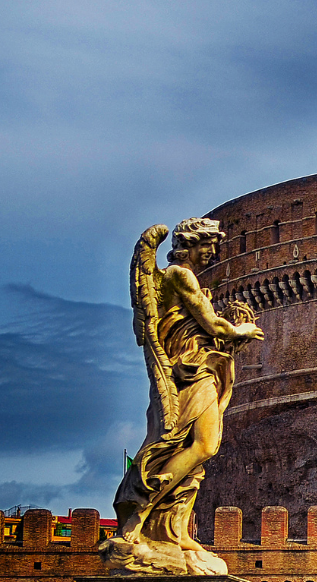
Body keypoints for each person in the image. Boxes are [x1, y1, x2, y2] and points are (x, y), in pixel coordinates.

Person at [106, 219, 264, 575]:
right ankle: (140, 512)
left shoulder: (177, 280)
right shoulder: (181, 276)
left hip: (197, 367)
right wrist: (240, 329)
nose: (212, 254)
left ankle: (173, 530)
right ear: (191, 244)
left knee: (191, 452)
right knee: (199, 444)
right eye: (208, 246)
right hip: (190, 371)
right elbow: (211, 325)